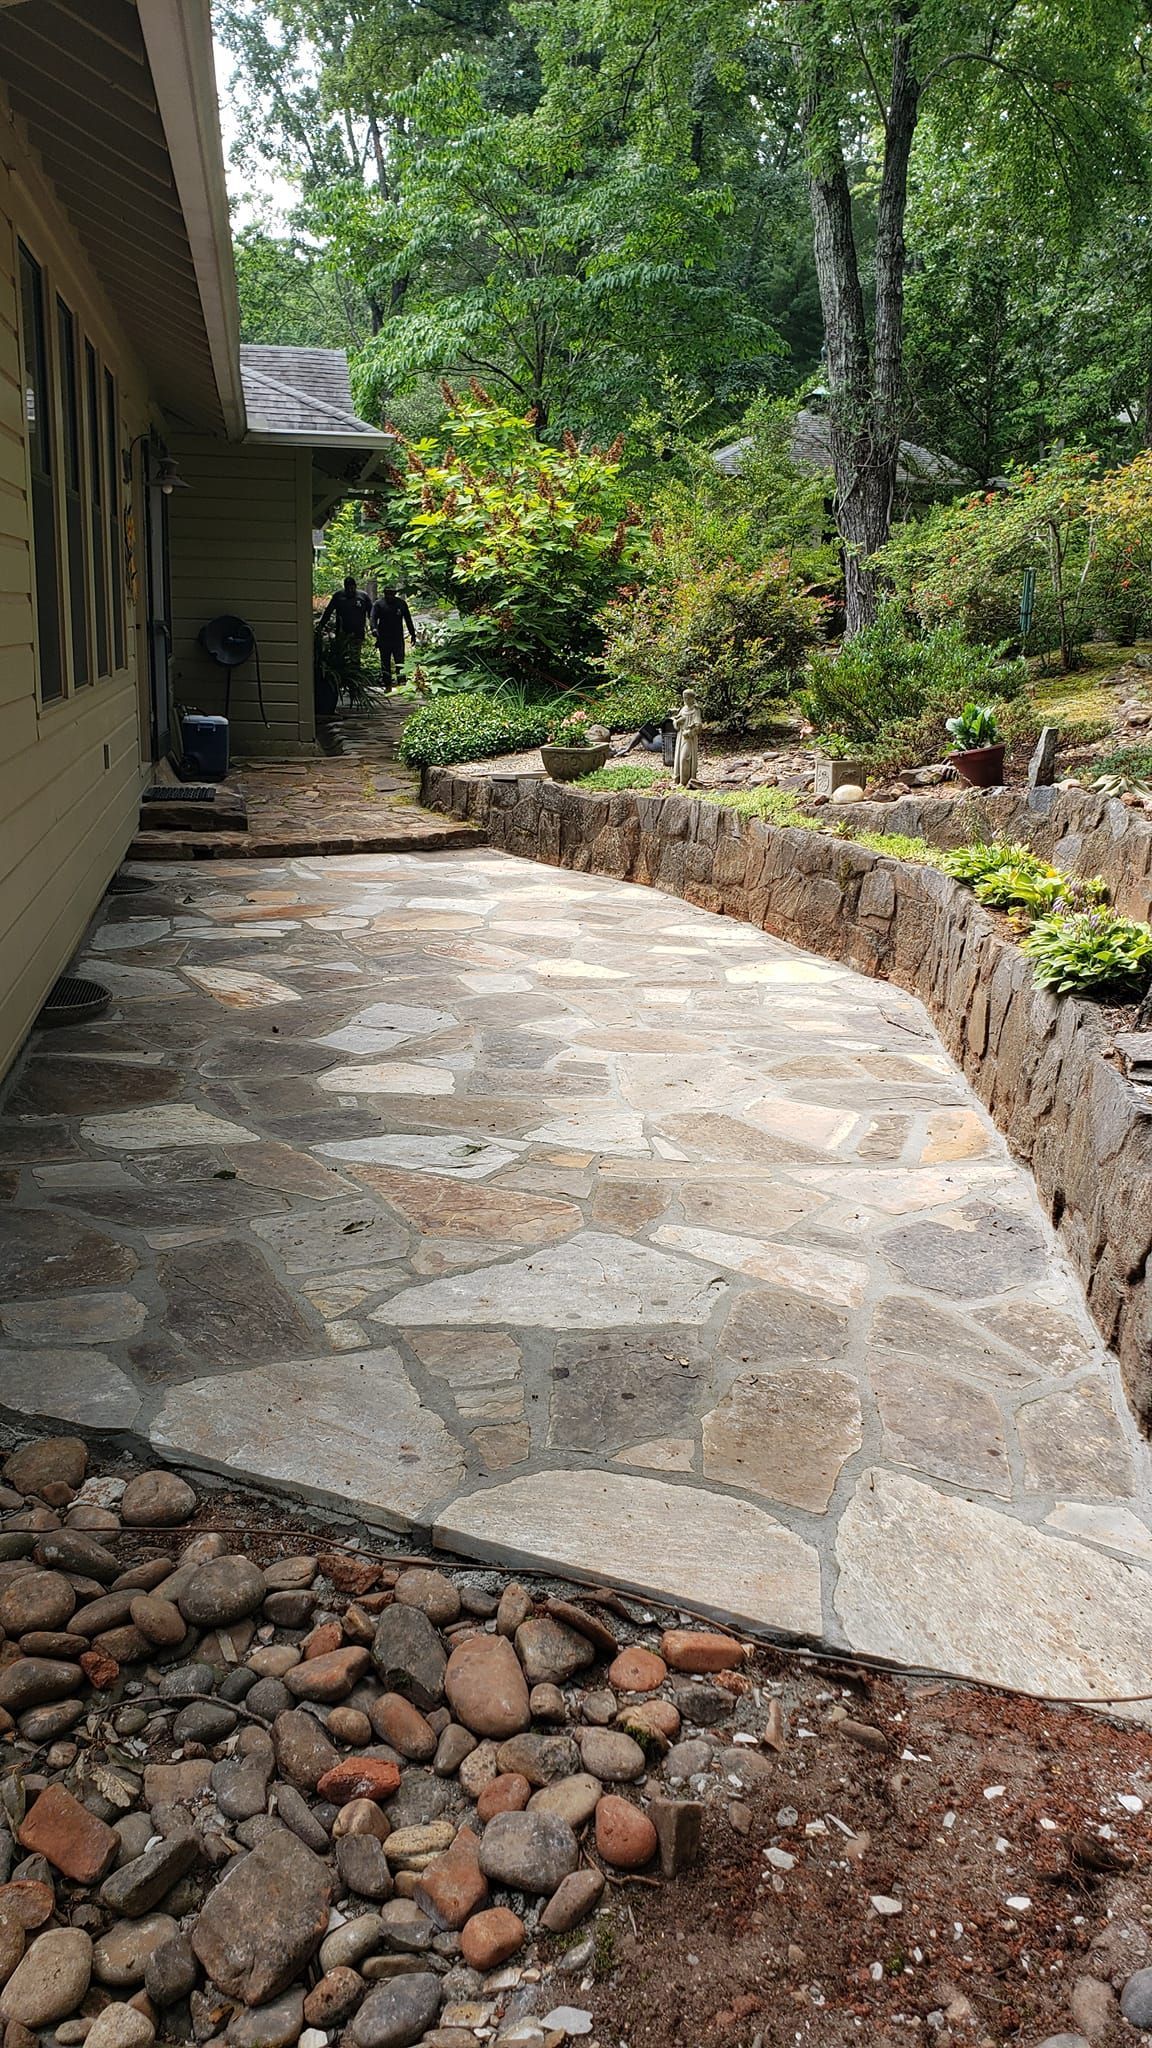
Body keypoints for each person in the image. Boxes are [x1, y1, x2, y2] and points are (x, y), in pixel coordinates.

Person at [370, 586, 416, 689]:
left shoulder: (401, 604)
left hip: (397, 638)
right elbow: (373, 618)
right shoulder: (379, 604)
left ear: (395, 594)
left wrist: (412, 634)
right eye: (387, 593)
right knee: (385, 662)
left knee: (400, 661)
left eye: (392, 593)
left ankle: (402, 683)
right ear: (384, 593)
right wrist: (374, 629)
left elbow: (408, 619)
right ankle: (387, 684)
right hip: (383, 638)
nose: (389, 596)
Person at [319, 575, 371, 643]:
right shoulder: (338, 596)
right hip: (342, 631)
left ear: (355, 586)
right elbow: (328, 612)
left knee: (355, 651)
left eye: (352, 588)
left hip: (358, 633)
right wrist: (321, 625)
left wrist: (374, 628)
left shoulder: (363, 596)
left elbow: (371, 613)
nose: (350, 590)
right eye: (348, 588)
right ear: (345, 587)